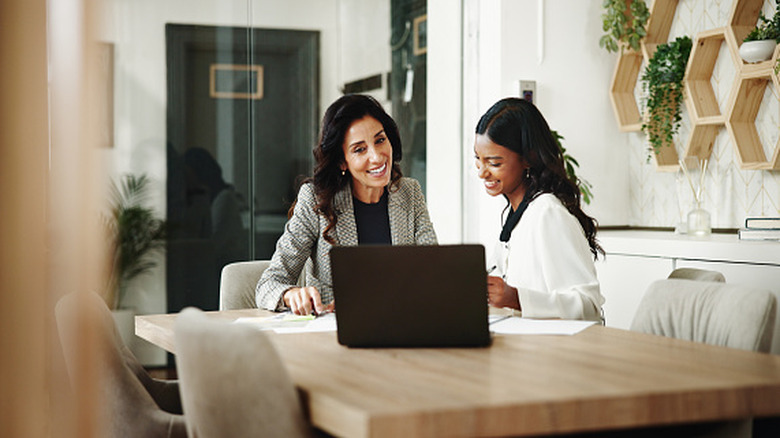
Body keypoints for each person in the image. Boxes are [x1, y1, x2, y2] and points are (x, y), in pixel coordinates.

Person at [256, 94, 438, 315]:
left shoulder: (409, 192)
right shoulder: (315, 200)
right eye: (360, 149)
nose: (377, 157)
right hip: (335, 337)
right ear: (342, 161)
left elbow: (433, 273)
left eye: (380, 140)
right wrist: (290, 294)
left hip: (400, 328)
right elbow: (269, 283)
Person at [474, 97, 605, 322]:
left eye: (494, 163)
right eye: (478, 160)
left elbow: (589, 306)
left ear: (527, 159)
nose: (482, 172)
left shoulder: (547, 214)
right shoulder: (517, 216)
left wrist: (516, 298)